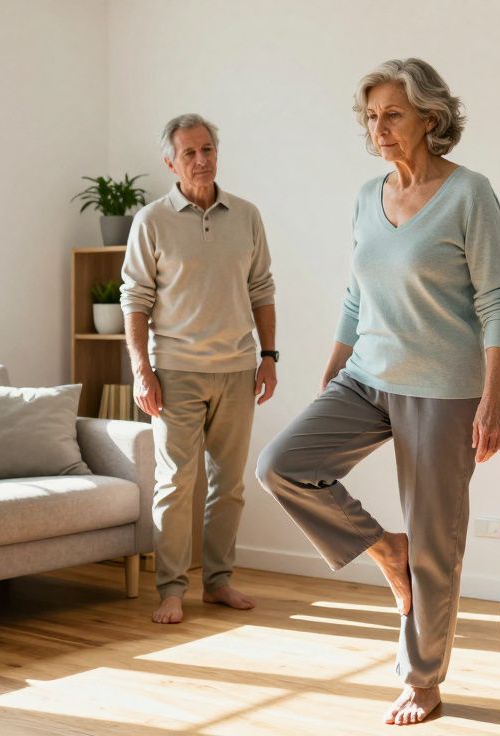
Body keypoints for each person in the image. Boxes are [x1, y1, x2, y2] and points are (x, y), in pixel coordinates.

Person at [256, 59, 500, 726]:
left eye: (393, 115)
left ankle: (422, 680)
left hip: (444, 390)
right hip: (366, 376)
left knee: (437, 543)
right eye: (371, 116)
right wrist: (334, 366)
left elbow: (497, 301)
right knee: (282, 464)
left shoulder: (469, 194)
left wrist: (494, 399)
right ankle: (383, 549)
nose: (380, 129)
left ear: (430, 118)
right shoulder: (366, 196)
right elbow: (354, 295)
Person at [121, 113, 279, 625]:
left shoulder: (247, 216)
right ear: (171, 161)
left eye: (207, 149)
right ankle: (170, 589)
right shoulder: (152, 221)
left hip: (236, 369)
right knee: (175, 484)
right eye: (188, 152)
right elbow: (135, 300)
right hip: (175, 372)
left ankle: (219, 582)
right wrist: (142, 371)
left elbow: (262, 290)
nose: (201, 160)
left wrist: (269, 357)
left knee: (228, 484)